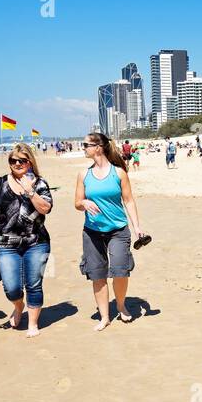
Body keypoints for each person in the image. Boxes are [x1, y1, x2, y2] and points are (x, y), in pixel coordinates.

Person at [75, 132, 147, 330]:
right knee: (97, 274)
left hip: (118, 230)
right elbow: (76, 203)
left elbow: (129, 201)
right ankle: (104, 316)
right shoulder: (84, 174)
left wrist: (137, 227)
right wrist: (84, 202)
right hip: (92, 232)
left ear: (98, 147)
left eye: (86, 145)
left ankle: (121, 305)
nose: (83, 148)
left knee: (120, 270)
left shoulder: (119, 173)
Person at [0, 143, 53, 337]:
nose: (17, 163)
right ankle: (18, 305)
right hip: (6, 242)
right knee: (11, 287)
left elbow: (46, 208)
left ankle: (33, 323)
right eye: (13, 160)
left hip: (36, 241)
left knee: (34, 283)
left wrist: (30, 191)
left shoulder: (40, 183)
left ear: (30, 162)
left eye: (21, 160)